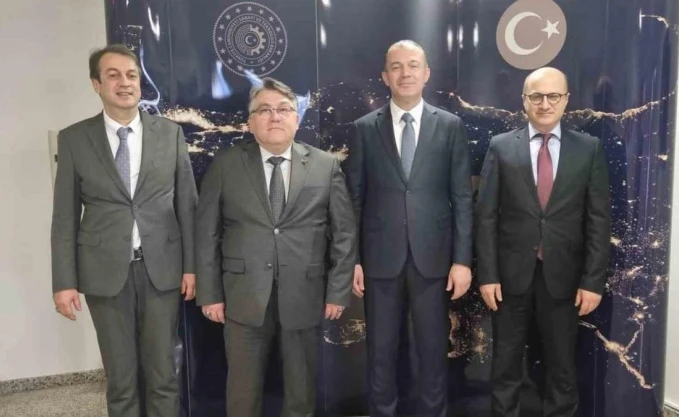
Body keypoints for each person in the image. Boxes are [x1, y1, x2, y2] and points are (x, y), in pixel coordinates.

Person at [51, 44, 197, 417]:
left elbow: (187, 206)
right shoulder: (74, 139)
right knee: (121, 380)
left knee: (164, 376)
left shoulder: (169, 134)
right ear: (96, 84)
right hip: (103, 274)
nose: (124, 83)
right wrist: (64, 282)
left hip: (161, 270)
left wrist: (192, 267)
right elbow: (65, 216)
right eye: (113, 75)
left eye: (131, 75)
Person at [196, 77, 356, 417]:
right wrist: (209, 293)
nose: (275, 116)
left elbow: (344, 234)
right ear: (250, 121)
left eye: (283, 109)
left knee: (301, 389)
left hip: (305, 293)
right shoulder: (226, 164)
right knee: (242, 389)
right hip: (243, 294)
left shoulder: (325, 165)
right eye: (265, 110)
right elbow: (207, 232)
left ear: (296, 120)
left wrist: (337, 291)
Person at [346, 40, 473, 417]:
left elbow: (462, 197)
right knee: (380, 353)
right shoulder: (364, 128)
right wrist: (353, 259)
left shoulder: (449, 126)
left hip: (434, 260)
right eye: (397, 66)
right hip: (379, 260)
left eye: (413, 65)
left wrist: (462, 261)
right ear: (385, 76)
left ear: (426, 73)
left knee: (433, 351)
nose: (405, 73)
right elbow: (353, 199)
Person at [475, 67, 611, 417]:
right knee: (505, 365)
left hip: (565, 278)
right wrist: (487, 275)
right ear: (524, 101)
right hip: (509, 278)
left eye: (553, 96)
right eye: (536, 96)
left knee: (562, 367)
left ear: (566, 100)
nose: (545, 103)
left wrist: (593, 281)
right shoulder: (501, 146)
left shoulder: (589, 149)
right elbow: (486, 216)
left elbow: (598, 221)